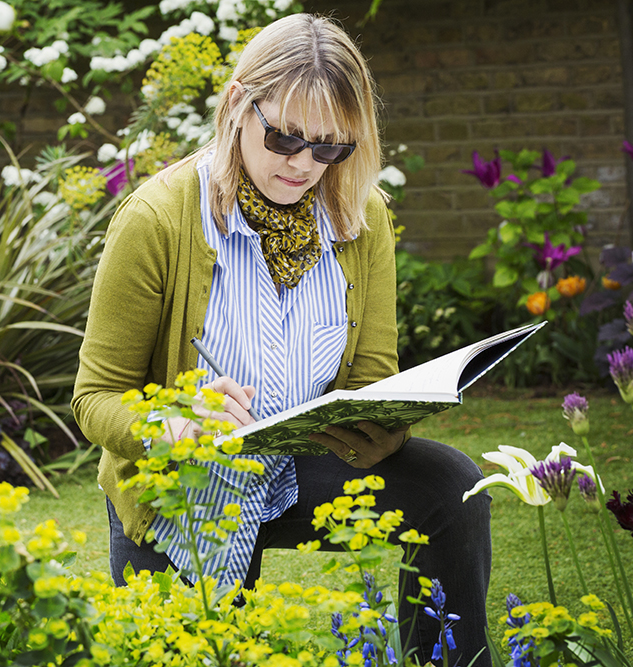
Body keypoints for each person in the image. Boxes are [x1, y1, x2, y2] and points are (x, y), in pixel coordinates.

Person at [72, 13, 492, 667]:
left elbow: (373, 376)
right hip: (186, 480)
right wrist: (174, 421)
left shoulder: (362, 214)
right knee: (205, 650)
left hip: (303, 460)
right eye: (285, 139)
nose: (304, 166)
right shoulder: (156, 220)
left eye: (331, 147)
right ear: (239, 103)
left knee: (452, 488)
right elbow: (96, 397)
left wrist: (386, 425)